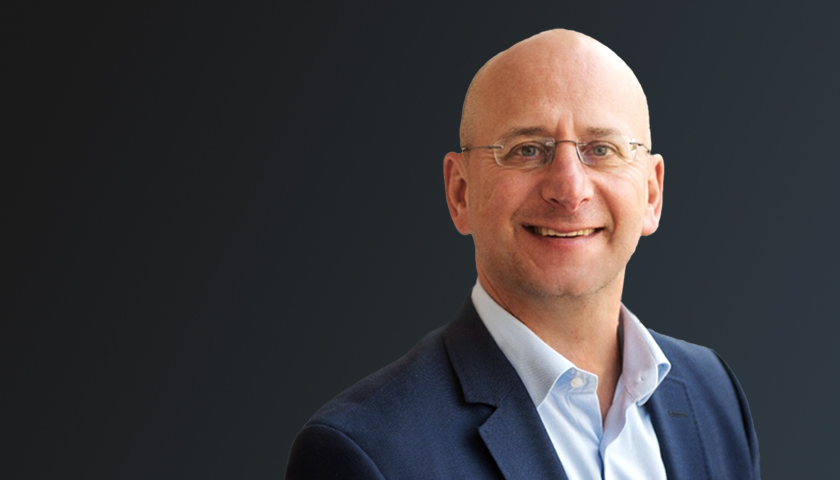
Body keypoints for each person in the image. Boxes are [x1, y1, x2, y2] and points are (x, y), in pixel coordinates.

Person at [285, 29, 759, 479]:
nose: (569, 189)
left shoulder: (713, 393)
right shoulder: (366, 452)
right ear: (460, 192)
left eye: (601, 149)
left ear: (652, 194)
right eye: (528, 150)